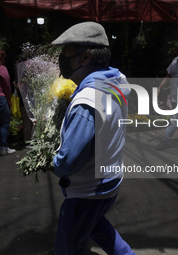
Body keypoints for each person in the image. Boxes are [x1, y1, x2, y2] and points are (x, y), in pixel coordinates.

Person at [51, 22, 136, 255]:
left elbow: (68, 160)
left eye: (67, 53)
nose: (62, 59)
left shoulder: (87, 100)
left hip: (87, 190)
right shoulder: (116, 80)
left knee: (67, 248)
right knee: (96, 225)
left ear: (86, 56)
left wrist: (54, 161)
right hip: (110, 179)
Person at [0, 50, 16, 155]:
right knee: (4, 123)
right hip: (1, 98)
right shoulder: (2, 68)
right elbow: (7, 86)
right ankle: (4, 147)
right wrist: (9, 101)